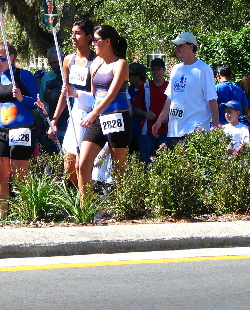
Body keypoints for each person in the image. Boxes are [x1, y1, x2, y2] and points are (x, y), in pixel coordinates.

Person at [0, 44, 39, 220]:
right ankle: (2, 215)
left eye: (1, 58)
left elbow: (38, 102)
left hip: (22, 129)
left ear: (11, 57)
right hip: (1, 130)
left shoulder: (24, 76)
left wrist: (23, 98)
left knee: (20, 175)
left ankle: (24, 212)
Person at [77, 25, 131, 198]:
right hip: (99, 118)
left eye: (95, 40)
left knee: (119, 169)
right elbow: (95, 94)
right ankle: (85, 209)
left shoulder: (121, 64)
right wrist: (93, 113)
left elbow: (111, 94)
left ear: (107, 41)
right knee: (83, 163)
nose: (93, 43)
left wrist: (93, 114)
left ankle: (123, 206)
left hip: (117, 117)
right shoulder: (95, 65)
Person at [152, 32, 220, 145]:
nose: (177, 49)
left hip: (196, 131)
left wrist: (217, 127)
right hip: (174, 131)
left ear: (190, 46)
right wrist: (159, 121)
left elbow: (212, 100)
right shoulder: (175, 69)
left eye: (180, 45)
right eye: (176, 46)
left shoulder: (203, 69)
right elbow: (170, 99)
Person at [52, 19, 97, 185]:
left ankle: (87, 204)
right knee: (69, 167)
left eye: (78, 33)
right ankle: (79, 200)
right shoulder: (68, 60)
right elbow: (64, 93)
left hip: (90, 116)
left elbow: (95, 96)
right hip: (74, 116)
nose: (73, 37)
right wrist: (55, 119)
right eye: (72, 33)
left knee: (82, 165)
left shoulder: (95, 61)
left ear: (88, 37)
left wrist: (75, 93)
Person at [134, 58, 169, 163]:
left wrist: (169, 116)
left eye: (158, 69)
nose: (156, 72)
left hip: (166, 131)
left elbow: (177, 106)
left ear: (164, 70)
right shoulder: (145, 87)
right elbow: (135, 108)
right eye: (153, 69)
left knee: (165, 163)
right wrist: (145, 113)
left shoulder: (169, 87)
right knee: (147, 163)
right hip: (147, 132)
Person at [39, 46, 68, 142]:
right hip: (52, 118)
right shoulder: (47, 77)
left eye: (56, 62)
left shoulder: (71, 74)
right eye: (51, 63)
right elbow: (42, 100)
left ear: (63, 58)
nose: (53, 65)